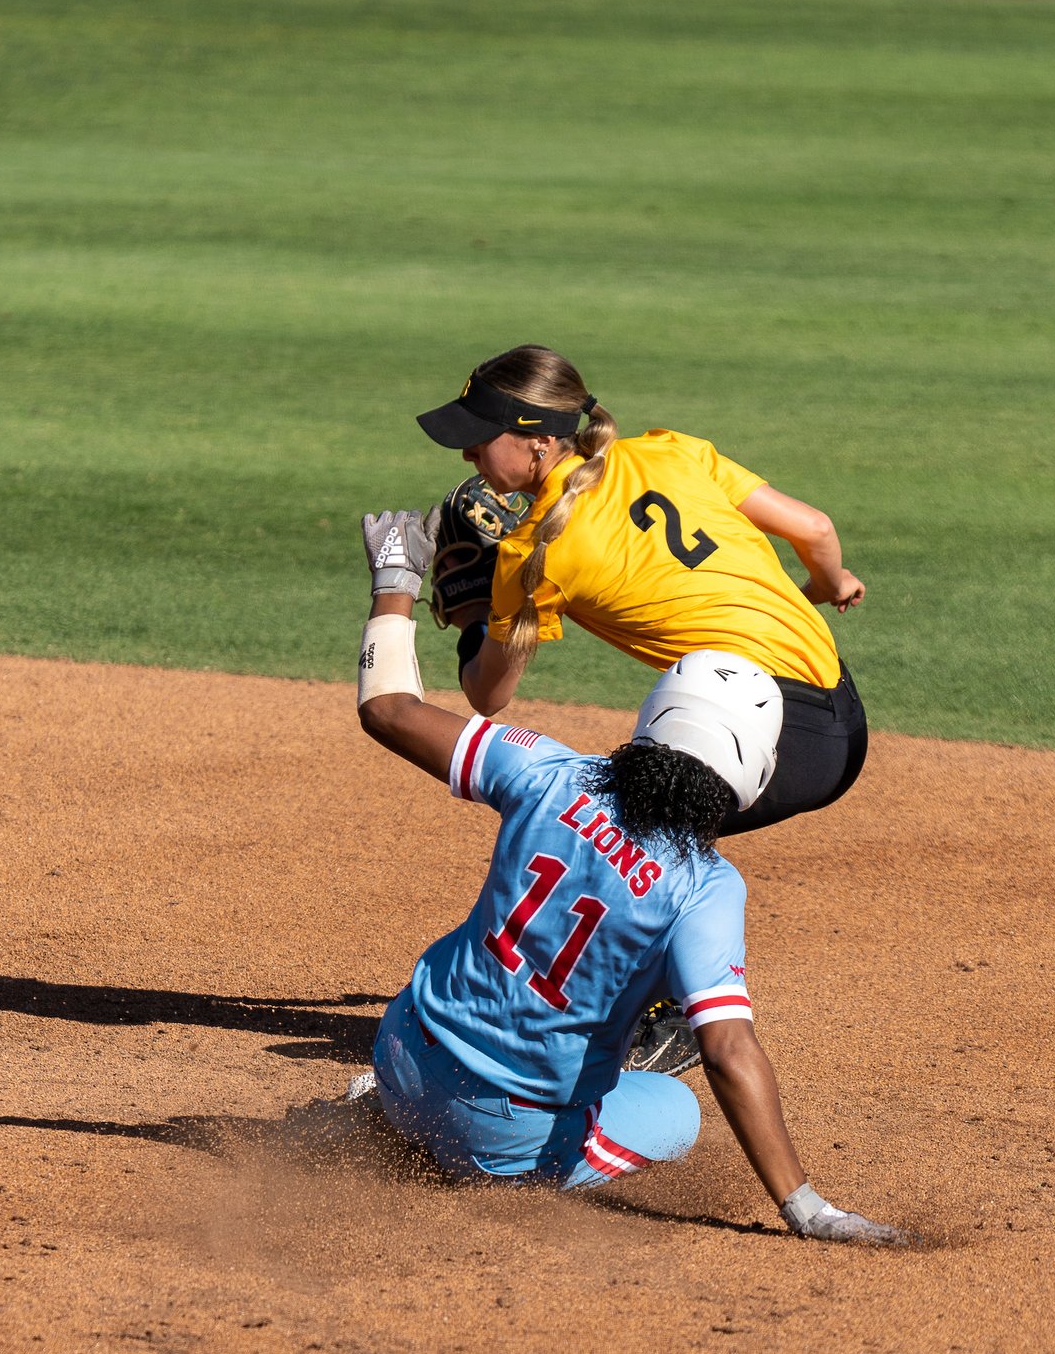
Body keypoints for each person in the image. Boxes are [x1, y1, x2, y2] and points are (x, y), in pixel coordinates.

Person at [344, 512, 907, 1243]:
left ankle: (381, 1112)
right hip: (495, 1136)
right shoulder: (706, 886)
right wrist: (809, 1206)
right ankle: (477, 1149)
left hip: (401, 1051)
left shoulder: (546, 769)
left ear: (653, 716)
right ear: (754, 772)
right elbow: (728, 1049)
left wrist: (396, 579)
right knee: (678, 1112)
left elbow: (388, 708)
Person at [414, 345, 867, 839]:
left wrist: (476, 613)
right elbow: (817, 530)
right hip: (843, 718)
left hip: (780, 748)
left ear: (540, 438)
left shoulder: (532, 553)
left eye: (480, 437)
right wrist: (831, 583)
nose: (467, 452)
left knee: (590, 838)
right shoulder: (668, 450)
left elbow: (488, 694)